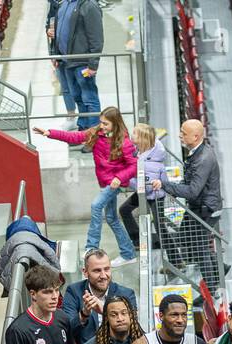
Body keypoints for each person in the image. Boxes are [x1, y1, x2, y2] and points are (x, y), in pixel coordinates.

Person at [38, 107, 138, 266]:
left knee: (96, 206)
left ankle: (91, 248)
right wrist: (50, 133)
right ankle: (128, 253)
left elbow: (134, 166)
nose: (102, 126)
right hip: (104, 181)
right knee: (112, 218)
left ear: (115, 123)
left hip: (114, 183)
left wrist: (120, 178)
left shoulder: (125, 142)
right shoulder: (96, 133)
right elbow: (75, 136)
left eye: (106, 123)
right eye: (101, 122)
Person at [160, 120, 225, 293]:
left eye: (183, 132)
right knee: (184, 237)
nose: (180, 135)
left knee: (199, 248)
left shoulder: (203, 158)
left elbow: (193, 191)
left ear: (195, 136)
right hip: (198, 207)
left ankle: (212, 289)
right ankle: (220, 268)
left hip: (205, 210)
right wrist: (175, 188)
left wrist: (166, 186)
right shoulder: (197, 151)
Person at [51, 0, 104, 130]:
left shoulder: (89, 6)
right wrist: (56, 54)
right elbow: (58, 32)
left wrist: (93, 64)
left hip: (83, 62)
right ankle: (84, 130)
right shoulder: (64, 5)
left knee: (89, 99)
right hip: (67, 61)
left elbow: (96, 38)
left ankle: (94, 136)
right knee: (77, 97)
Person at [119, 123, 168, 252]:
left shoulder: (150, 164)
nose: (131, 134)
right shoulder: (141, 151)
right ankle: (137, 241)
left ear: (142, 139)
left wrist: (126, 178)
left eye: (135, 133)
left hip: (155, 196)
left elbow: (146, 188)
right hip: (144, 193)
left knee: (160, 228)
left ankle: (176, 260)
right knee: (124, 209)